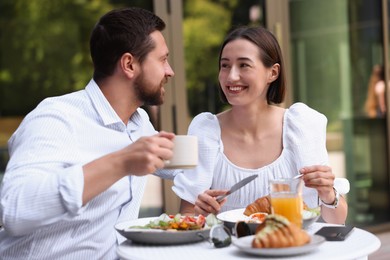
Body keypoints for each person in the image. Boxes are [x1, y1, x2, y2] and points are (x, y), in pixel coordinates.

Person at [0, 7, 177, 259]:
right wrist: (121, 162)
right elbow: (15, 211)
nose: (170, 71)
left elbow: (177, 159)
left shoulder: (138, 122)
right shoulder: (56, 118)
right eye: (162, 60)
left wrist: (239, 128)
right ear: (129, 64)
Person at [172, 26, 348, 225]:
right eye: (225, 65)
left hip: (291, 250)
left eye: (244, 65)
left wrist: (328, 193)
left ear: (273, 73)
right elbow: (186, 217)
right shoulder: (201, 129)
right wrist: (199, 212)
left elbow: (337, 219)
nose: (231, 77)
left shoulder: (302, 124)